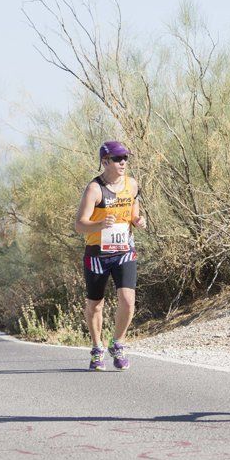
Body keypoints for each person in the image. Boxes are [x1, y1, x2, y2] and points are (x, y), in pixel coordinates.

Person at [73, 141, 146, 371]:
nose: (123, 162)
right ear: (105, 162)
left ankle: (118, 343)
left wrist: (137, 220)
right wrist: (100, 224)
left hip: (124, 251)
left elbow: (134, 211)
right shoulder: (95, 189)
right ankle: (97, 348)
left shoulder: (131, 185)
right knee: (95, 304)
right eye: (117, 158)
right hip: (97, 254)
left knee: (127, 299)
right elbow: (79, 224)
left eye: (125, 158)